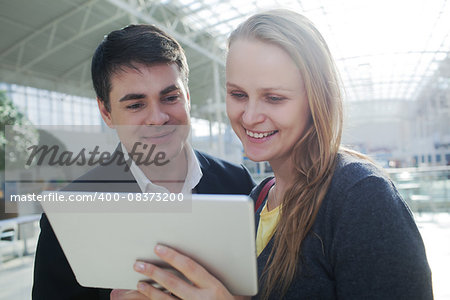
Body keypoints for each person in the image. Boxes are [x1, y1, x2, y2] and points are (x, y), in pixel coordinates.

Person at [121, 9, 433, 300]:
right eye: (238, 95)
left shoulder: (360, 195)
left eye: (274, 98)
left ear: (316, 99)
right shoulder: (257, 200)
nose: (250, 116)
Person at [32, 24, 256, 300]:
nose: (158, 118)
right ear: (107, 112)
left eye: (170, 97)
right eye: (136, 104)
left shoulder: (238, 183)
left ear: (186, 97)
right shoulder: (66, 216)